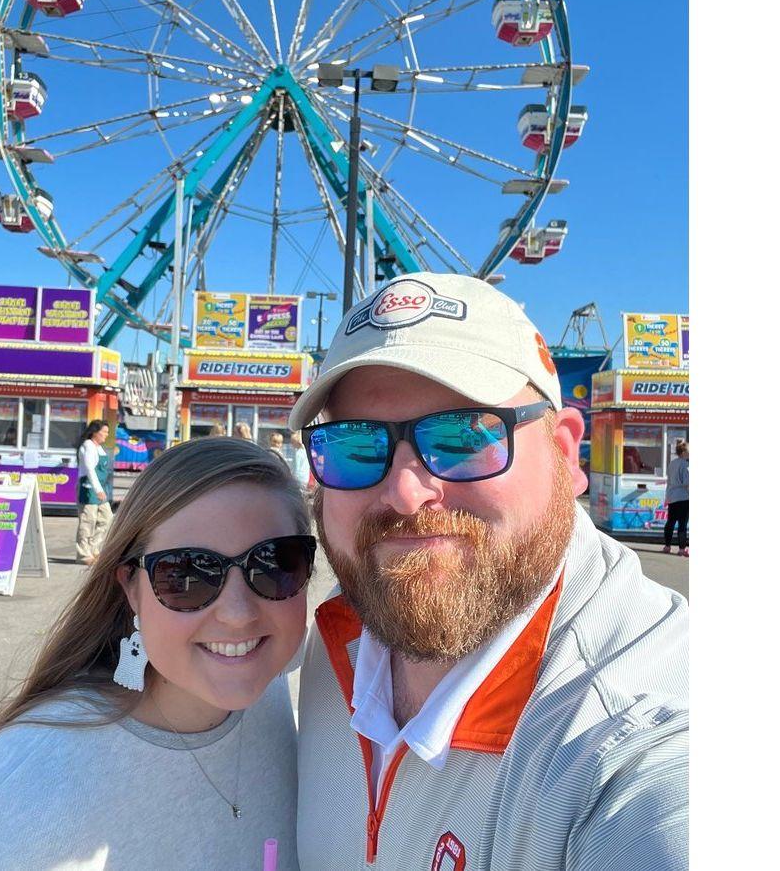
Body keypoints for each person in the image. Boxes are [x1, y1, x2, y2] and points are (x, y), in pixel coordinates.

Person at [289, 273, 688, 871]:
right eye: (355, 446)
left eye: (463, 436)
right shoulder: (330, 638)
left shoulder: (629, 739)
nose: (404, 492)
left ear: (566, 453)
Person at [0, 438, 314, 871]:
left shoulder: (273, 694)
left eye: (276, 563)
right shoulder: (12, 795)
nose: (239, 615)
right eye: (186, 573)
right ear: (130, 586)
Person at [76, 419, 114, 565]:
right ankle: (83, 554)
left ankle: (94, 548)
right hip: (88, 489)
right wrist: (98, 489)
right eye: (104, 432)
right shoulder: (88, 446)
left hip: (100, 489)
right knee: (87, 521)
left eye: (107, 432)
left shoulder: (100, 448)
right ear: (94, 433)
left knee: (106, 517)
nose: (106, 435)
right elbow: (90, 469)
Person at [663, 439, 690, 556]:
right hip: (684, 497)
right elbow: (687, 482)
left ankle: (667, 546)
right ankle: (681, 549)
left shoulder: (672, 463)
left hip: (672, 496)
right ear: (684, 452)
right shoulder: (686, 464)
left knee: (670, 522)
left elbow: (669, 481)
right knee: (682, 524)